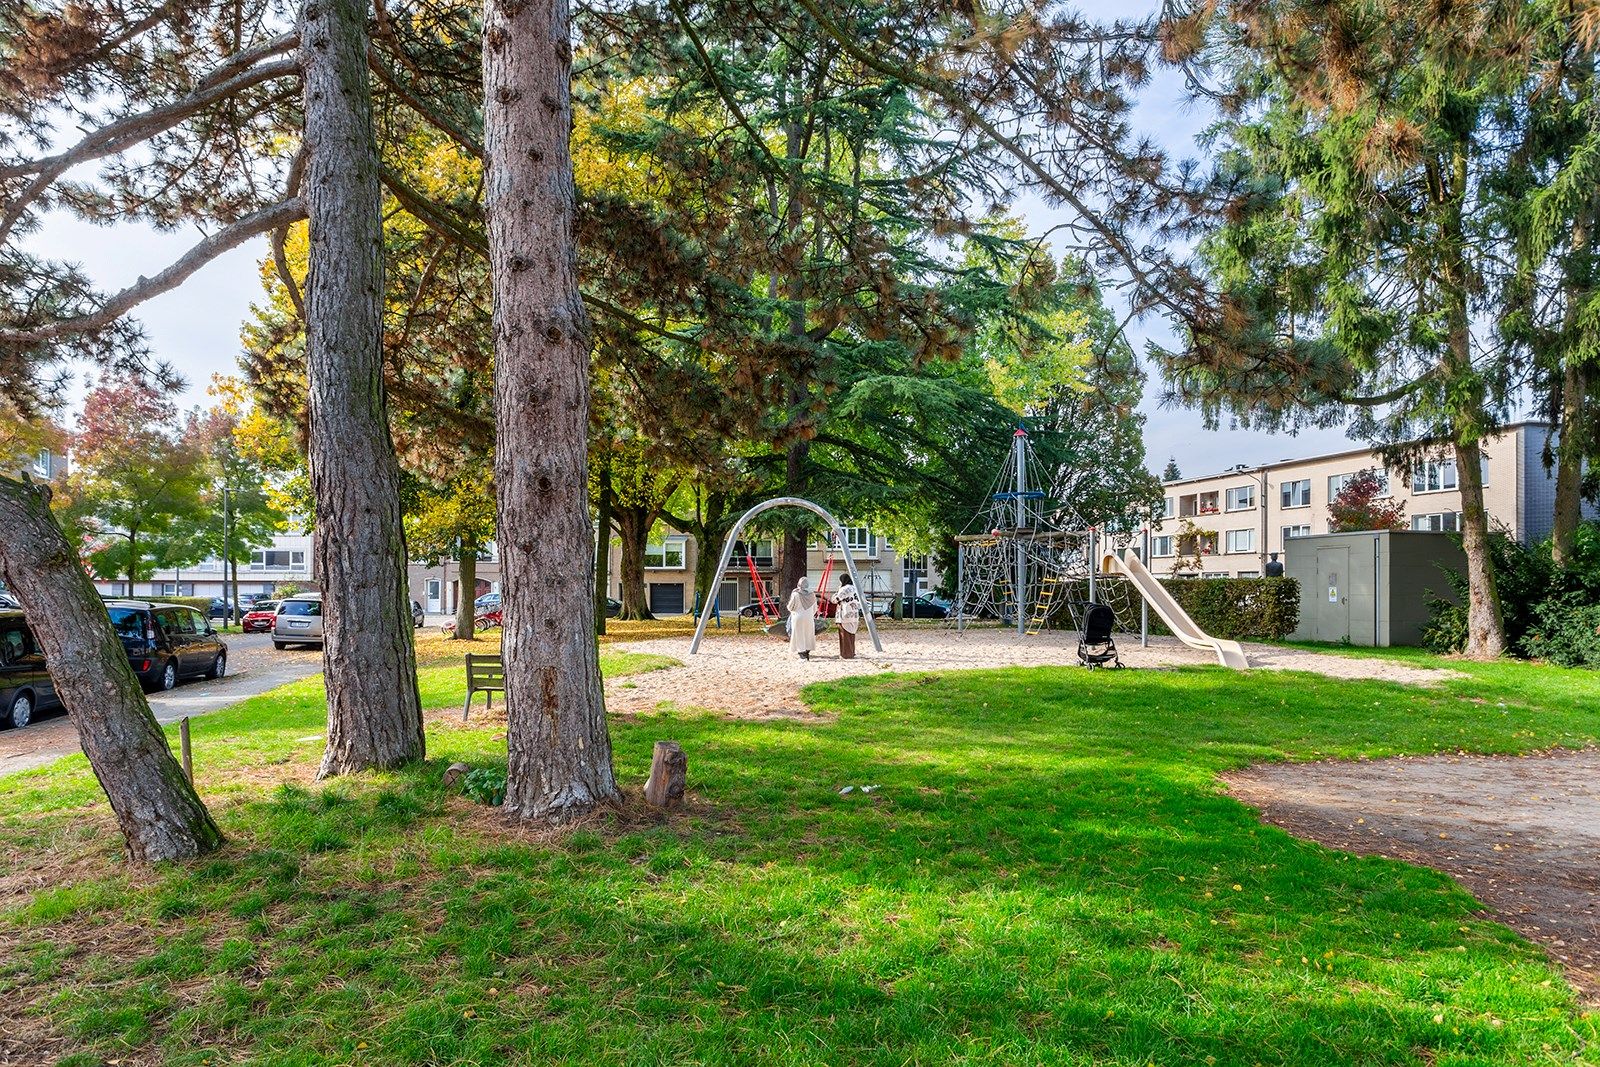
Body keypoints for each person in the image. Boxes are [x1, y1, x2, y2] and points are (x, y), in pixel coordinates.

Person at [787, 576, 818, 660]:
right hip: (809, 618)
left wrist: (793, 610)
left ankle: (802, 653)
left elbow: (790, 607)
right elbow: (815, 608)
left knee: (799, 634)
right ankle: (807, 651)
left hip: (798, 617)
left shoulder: (795, 594)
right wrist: (810, 614)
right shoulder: (812, 594)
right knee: (808, 634)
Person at [834, 573, 862, 659]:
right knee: (851, 634)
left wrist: (835, 594)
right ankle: (852, 652)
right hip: (854, 614)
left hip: (844, 614)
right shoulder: (855, 588)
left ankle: (845, 654)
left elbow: (835, 600)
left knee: (844, 634)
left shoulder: (843, 589)